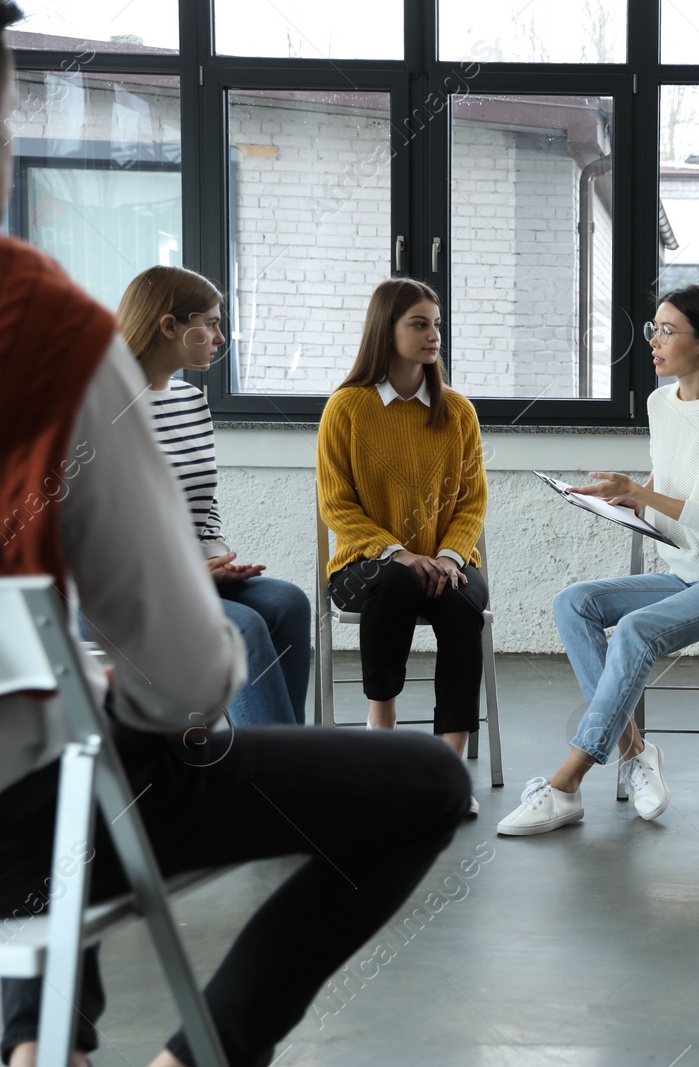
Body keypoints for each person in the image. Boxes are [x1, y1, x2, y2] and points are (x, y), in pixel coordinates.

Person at [0, 10, 471, 1067]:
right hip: (30, 803)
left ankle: (39, 1039)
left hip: (48, 766)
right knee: (421, 789)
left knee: (250, 631)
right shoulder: (51, 337)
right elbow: (177, 671)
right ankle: (198, 1050)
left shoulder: (451, 412)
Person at [497, 284, 699, 836]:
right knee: (573, 603)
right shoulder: (658, 405)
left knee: (636, 631)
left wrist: (644, 495)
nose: (654, 339)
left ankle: (565, 784)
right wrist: (624, 498)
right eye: (653, 328)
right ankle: (636, 753)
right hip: (691, 570)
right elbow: (676, 490)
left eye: (668, 330)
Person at [316, 277, 490, 811]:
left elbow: (471, 502)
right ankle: (383, 736)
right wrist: (399, 552)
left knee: (463, 603)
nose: (433, 334)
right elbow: (338, 506)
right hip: (365, 568)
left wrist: (446, 557)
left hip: (445, 565)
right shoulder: (346, 409)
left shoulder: (456, 411)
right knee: (393, 580)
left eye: (436, 324)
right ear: (384, 330)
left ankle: (448, 767)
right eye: (419, 323)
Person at [116, 264, 312, 726]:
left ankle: (290, 760)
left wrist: (216, 561)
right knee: (240, 628)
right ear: (169, 327)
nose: (221, 338)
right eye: (211, 324)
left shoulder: (190, 401)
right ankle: (278, 785)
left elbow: (202, 505)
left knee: (289, 603)